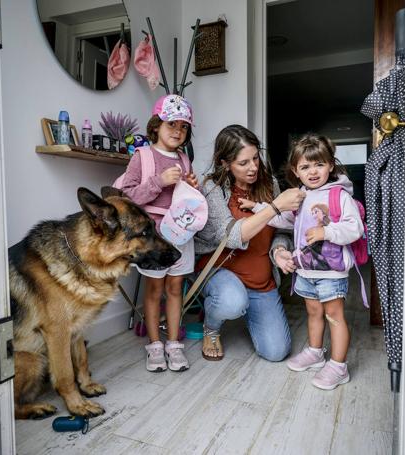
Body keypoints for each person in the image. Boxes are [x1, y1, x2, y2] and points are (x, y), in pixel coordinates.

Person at [240, 134, 364, 390]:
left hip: (331, 271)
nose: (313, 171)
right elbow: (288, 222)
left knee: (334, 316)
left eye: (319, 164)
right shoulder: (301, 196)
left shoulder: (340, 196)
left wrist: (326, 232)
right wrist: (257, 208)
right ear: (296, 171)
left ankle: (339, 366)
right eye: (305, 167)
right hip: (306, 270)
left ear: (330, 165)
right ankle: (315, 352)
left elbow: (355, 229)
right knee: (313, 312)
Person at [194, 125, 306, 362]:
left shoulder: (270, 184)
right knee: (232, 300)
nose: (254, 167)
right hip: (221, 270)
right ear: (225, 163)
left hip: (260, 279)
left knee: (276, 352)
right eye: (243, 163)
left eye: (255, 158)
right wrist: (275, 207)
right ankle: (211, 327)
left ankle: (243, 308)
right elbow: (233, 236)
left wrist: (279, 249)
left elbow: (281, 230)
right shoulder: (212, 188)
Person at [120, 94, 199, 373]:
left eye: (184, 127)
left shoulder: (184, 160)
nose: (178, 131)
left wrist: (190, 186)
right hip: (154, 238)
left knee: (175, 287)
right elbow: (127, 197)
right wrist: (158, 181)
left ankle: (174, 342)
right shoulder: (142, 157)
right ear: (156, 125)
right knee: (154, 290)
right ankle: (155, 345)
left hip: (181, 233)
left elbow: (187, 199)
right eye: (171, 124)